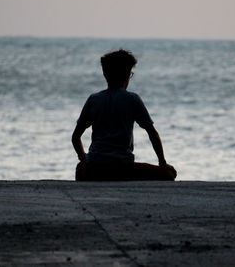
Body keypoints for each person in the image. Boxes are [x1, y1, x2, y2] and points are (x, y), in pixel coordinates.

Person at [72, 49, 177, 181]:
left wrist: (84, 158)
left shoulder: (93, 99)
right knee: (170, 173)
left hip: (94, 168)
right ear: (127, 75)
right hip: (122, 168)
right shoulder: (132, 99)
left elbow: (76, 137)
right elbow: (152, 134)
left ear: (105, 74)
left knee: (80, 169)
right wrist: (162, 163)